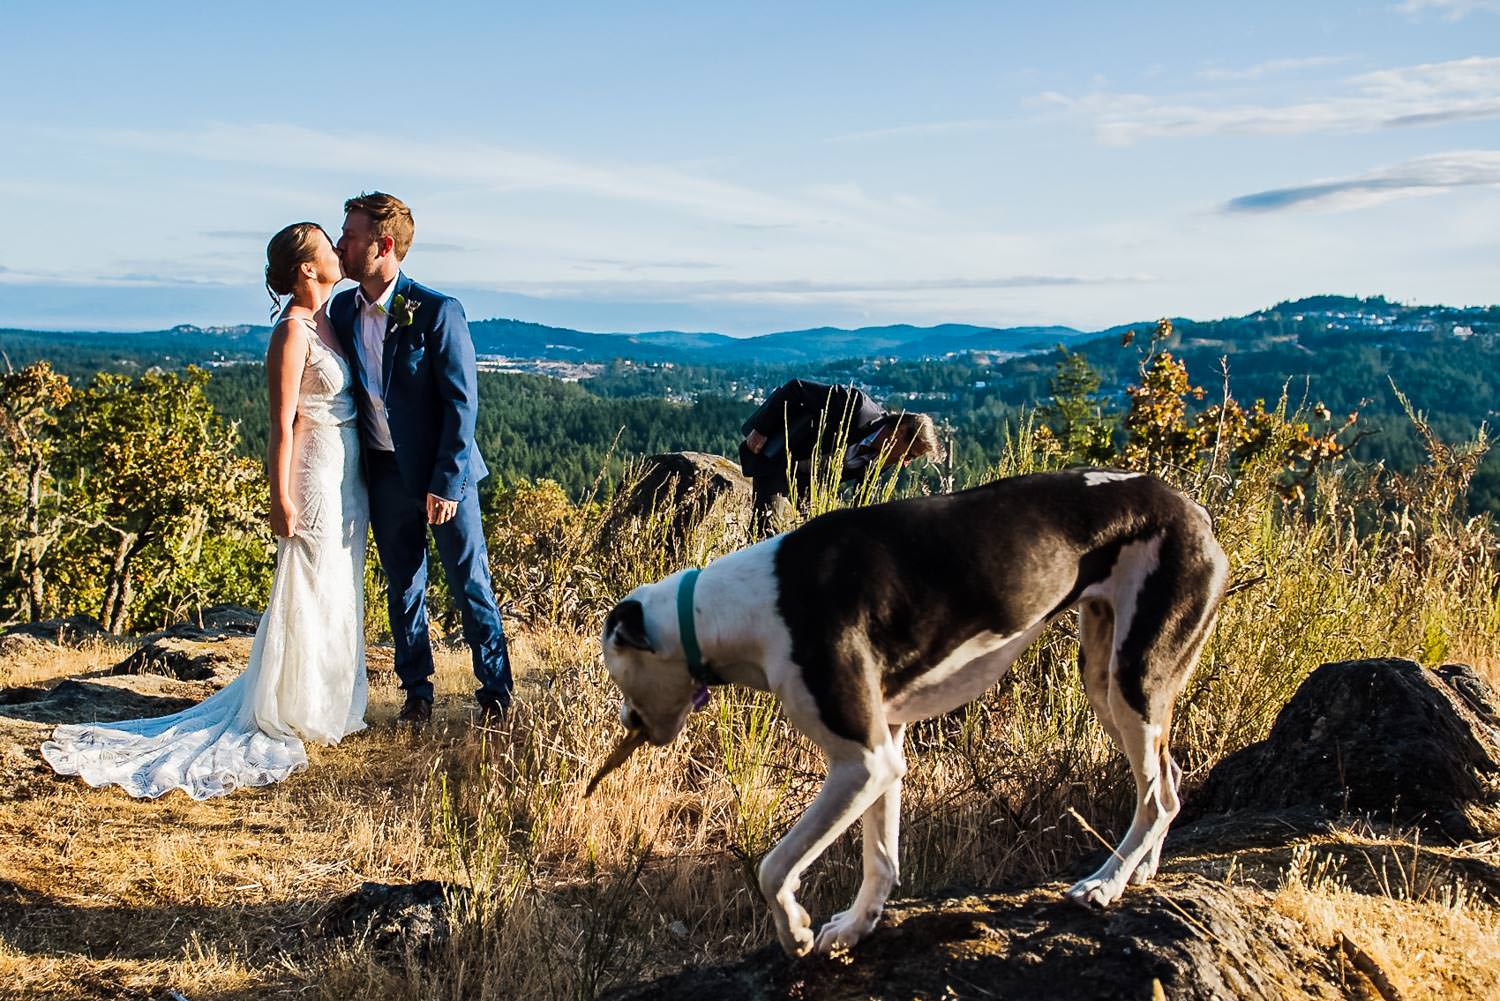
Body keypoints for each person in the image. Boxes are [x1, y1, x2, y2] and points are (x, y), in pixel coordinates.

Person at [41, 223, 369, 799]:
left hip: (349, 475)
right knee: (309, 584)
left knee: (341, 584)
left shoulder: (332, 319)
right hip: (314, 471)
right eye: (326, 245)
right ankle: (295, 704)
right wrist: (280, 496)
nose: (337, 251)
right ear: (305, 268)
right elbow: (281, 424)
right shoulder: (292, 333)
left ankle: (332, 700)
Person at [331, 192, 511, 725]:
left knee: (468, 581)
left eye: (351, 236)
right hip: (383, 471)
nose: (341, 244)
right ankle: (416, 692)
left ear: (383, 245)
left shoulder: (437, 311)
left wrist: (447, 484)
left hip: (443, 475)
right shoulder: (341, 309)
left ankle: (496, 694)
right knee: (403, 582)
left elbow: (462, 403)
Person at [738, 378, 944, 532]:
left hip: (810, 486)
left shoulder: (886, 456)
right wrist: (761, 429)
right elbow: (796, 388)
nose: (906, 463)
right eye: (910, 454)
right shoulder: (856, 407)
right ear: (899, 432)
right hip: (778, 461)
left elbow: (861, 500)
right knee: (766, 530)